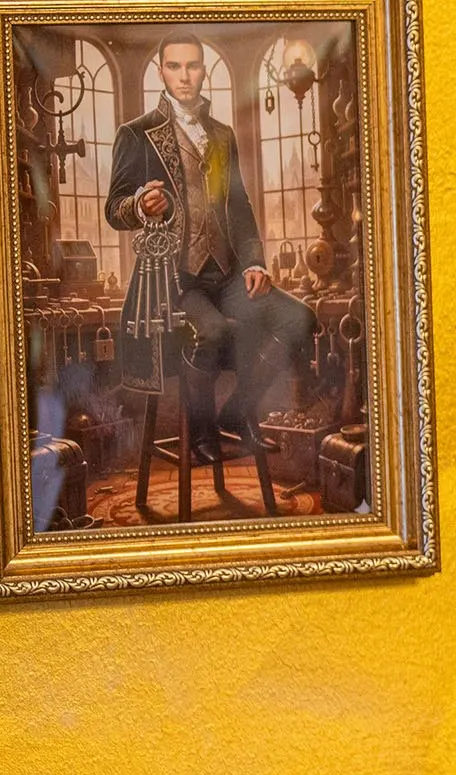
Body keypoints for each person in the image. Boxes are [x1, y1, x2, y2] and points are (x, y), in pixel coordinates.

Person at [105, 34, 315, 469]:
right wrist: (141, 205)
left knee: (300, 318)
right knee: (215, 331)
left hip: (228, 274)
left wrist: (255, 261)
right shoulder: (136, 134)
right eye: (175, 67)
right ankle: (202, 432)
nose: (185, 76)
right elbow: (114, 209)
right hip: (175, 281)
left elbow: (239, 206)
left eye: (193, 66)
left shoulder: (222, 135)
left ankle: (236, 415)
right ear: (162, 71)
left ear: (204, 71)